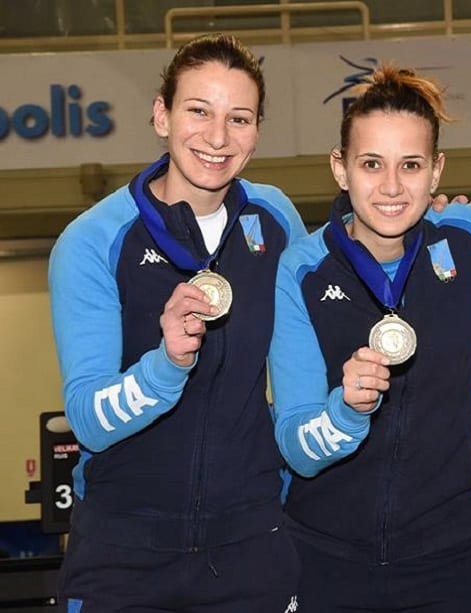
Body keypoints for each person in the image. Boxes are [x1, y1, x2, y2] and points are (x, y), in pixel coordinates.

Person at [48, 33, 307, 611]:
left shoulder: (276, 219)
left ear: (258, 129)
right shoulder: (92, 241)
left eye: (238, 118)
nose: (218, 138)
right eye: (198, 111)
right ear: (161, 115)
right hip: (124, 555)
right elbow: (88, 421)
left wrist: (424, 219)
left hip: (251, 547)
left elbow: (342, 283)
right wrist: (166, 365)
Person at [268, 65, 471, 612]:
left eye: (410, 165)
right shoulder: (302, 268)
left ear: (436, 171)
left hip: (453, 555)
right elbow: (297, 446)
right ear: (340, 169)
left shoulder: (470, 238)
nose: (392, 187)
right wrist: (345, 411)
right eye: (372, 164)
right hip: (326, 554)